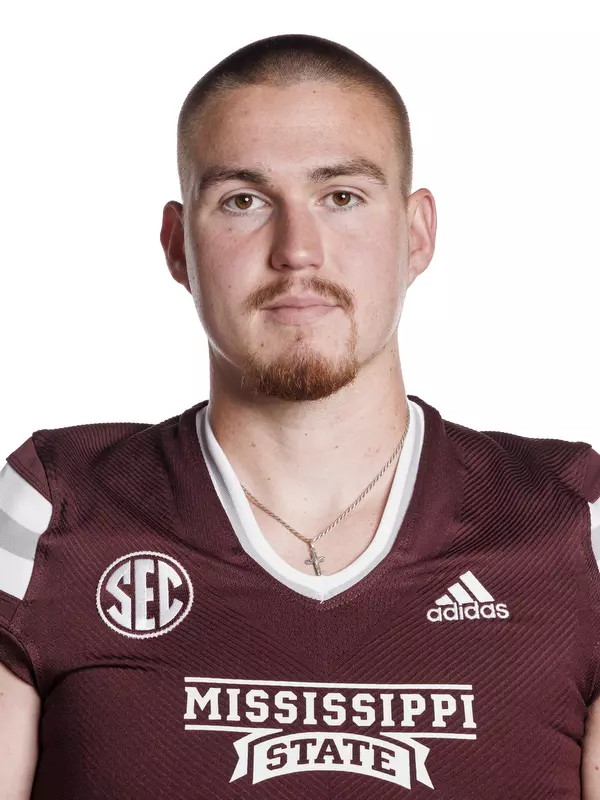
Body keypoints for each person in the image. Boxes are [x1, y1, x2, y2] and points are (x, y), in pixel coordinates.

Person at [1, 32, 599, 799]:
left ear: (416, 234)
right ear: (179, 246)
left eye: (341, 196)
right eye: (244, 200)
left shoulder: (573, 521)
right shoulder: (52, 513)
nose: (297, 250)